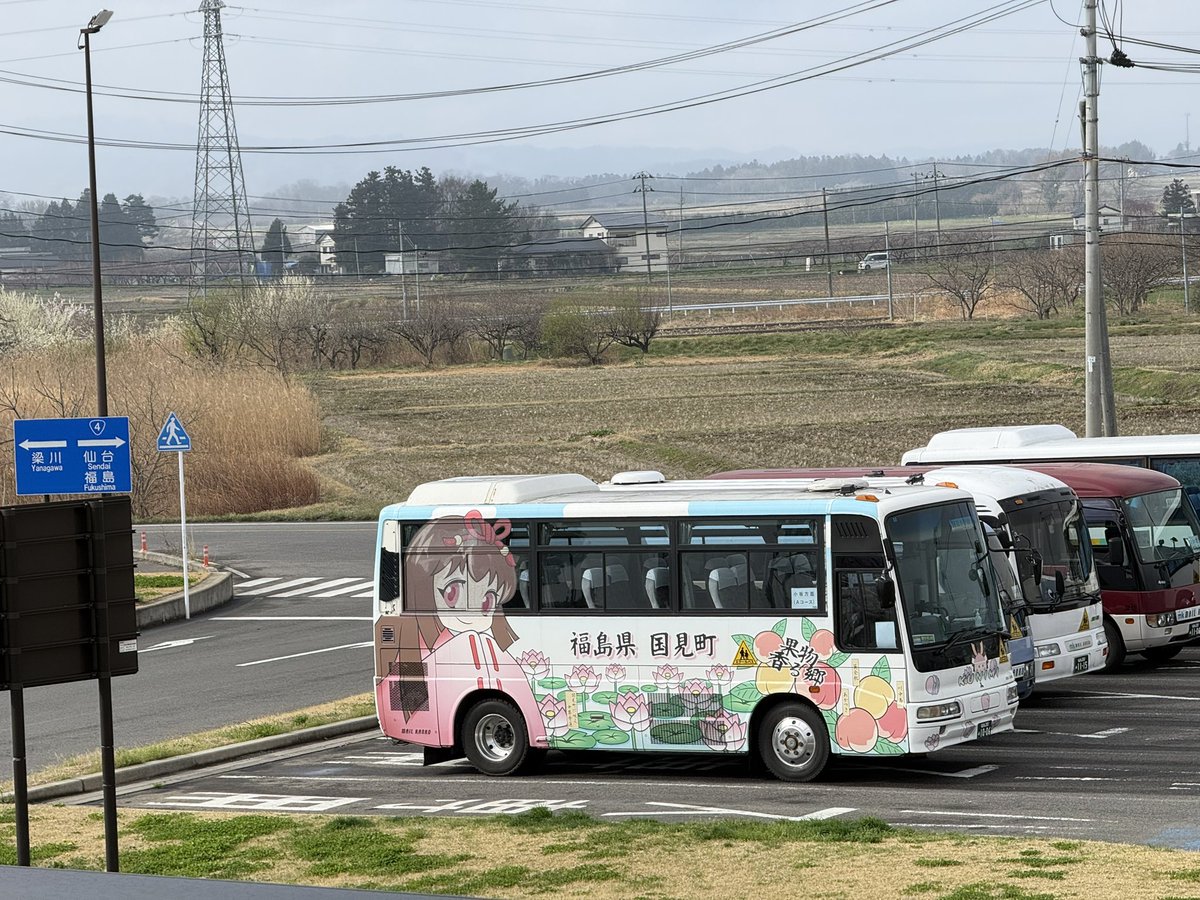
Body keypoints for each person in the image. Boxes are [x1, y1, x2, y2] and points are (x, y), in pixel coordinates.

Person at [376, 511, 546, 748]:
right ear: (424, 587)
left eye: (488, 599)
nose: (475, 610)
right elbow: (409, 699)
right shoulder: (424, 647)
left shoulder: (491, 646)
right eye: (453, 592)